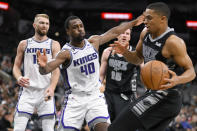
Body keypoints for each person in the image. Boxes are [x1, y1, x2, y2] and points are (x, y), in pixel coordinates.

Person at [36, 15, 144, 131]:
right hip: (75, 99)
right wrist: (42, 66)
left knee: (104, 128)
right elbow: (46, 69)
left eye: (81, 26)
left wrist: (134, 22)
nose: (80, 29)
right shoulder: (66, 53)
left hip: (95, 97)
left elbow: (115, 31)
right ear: (68, 31)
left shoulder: (93, 42)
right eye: (75, 27)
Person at [108, 2, 196, 131]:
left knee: (116, 128)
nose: (145, 21)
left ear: (162, 19)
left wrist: (177, 79)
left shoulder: (173, 42)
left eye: (149, 18)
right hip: (153, 94)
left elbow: (191, 72)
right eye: (145, 17)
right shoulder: (145, 33)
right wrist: (125, 52)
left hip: (167, 97)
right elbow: (137, 59)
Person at [12, 14, 60, 131]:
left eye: (47, 23)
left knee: (49, 129)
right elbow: (16, 67)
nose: (45, 26)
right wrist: (18, 78)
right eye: (42, 23)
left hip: (46, 90)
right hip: (28, 90)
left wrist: (52, 88)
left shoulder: (54, 44)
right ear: (34, 25)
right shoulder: (24, 43)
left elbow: (56, 69)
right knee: (18, 128)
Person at [99, 28, 140, 122]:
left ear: (129, 37)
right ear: (117, 36)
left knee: (121, 126)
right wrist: (95, 92)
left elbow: (145, 72)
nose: (124, 35)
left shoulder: (135, 54)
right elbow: (101, 75)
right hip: (108, 94)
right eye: (122, 33)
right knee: (105, 124)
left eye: (127, 33)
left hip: (126, 96)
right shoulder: (107, 52)